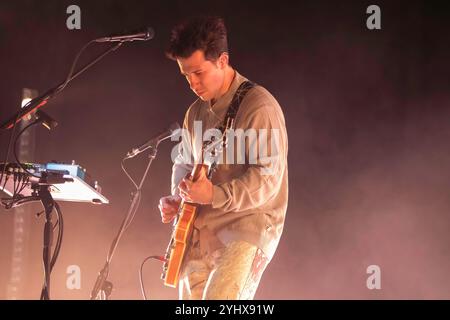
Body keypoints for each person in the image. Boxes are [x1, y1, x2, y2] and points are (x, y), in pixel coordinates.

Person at [158, 16, 288, 300]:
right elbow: (183, 163)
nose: (192, 83)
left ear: (222, 60)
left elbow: (267, 178)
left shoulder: (258, 105)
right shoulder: (194, 113)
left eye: (198, 73)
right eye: (186, 75)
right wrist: (179, 196)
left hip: (245, 230)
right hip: (201, 234)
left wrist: (214, 195)